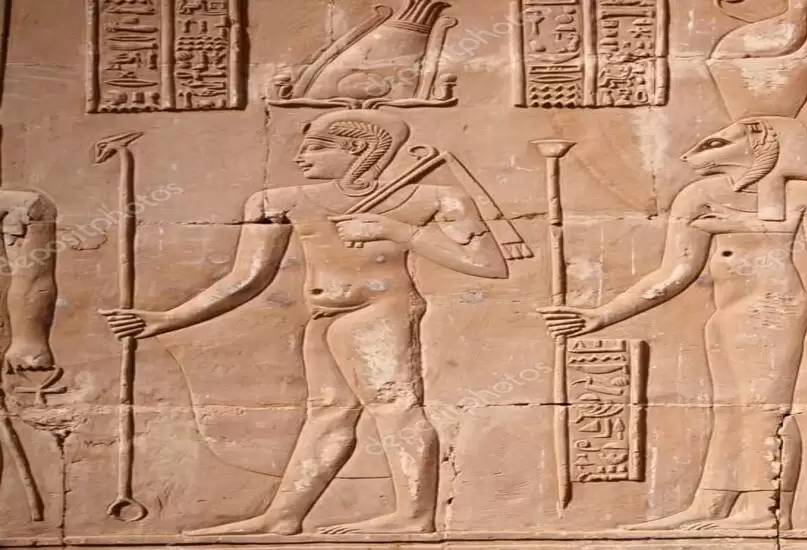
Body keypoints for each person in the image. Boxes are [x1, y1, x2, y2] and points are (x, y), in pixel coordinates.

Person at [99, 110, 511, 535]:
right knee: (328, 415)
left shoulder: (432, 198)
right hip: (324, 315)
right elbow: (247, 279)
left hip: (380, 313)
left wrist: (397, 231)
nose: (300, 157)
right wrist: (168, 318)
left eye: (315, 147)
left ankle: (414, 515)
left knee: (395, 408)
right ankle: (284, 516)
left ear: (358, 149)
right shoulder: (277, 201)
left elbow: (488, 264)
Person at [539, 116, 807, 531]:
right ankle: (712, 504)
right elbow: (675, 272)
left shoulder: (805, 195)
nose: (693, 155)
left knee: (764, 411)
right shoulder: (699, 196)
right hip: (726, 317)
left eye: (716, 144)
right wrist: (603, 314)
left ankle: (765, 511)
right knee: (729, 411)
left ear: (760, 140)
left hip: (776, 310)